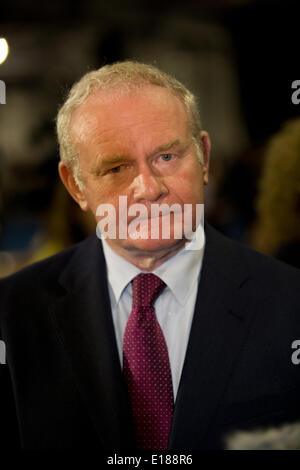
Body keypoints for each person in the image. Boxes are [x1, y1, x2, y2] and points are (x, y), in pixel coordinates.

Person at [0, 61, 300, 451]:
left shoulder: (290, 302)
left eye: (167, 157)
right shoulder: (11, 315)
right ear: (76, 186)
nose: (148, 187)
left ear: (205, 157)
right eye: (117, 167)